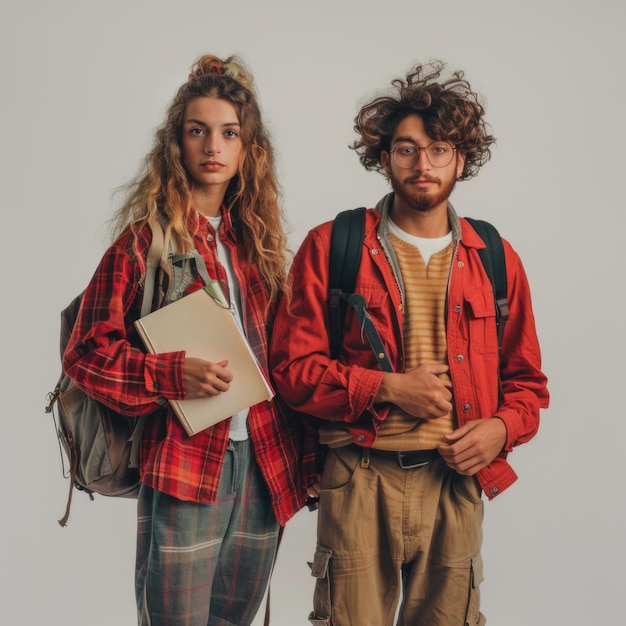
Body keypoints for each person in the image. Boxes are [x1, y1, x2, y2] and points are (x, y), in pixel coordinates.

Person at [270, 60, 550, 626]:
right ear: (384, 157)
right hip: (357, 478)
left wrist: (500, 428)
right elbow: (291, 370)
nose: (423, 164)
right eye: (406, 149)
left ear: (461, 158)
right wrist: (390, 388)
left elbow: (528, 387)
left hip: (455, 485)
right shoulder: (334, 245)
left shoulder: (495, 258)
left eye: (439, 149)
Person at [63, 54, 317, 626]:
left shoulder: (263, 253)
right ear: (175, 143)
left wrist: (309, 459)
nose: (212, 146)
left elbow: (287, 367)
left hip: (264, 468)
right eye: (197, 130)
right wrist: (169, 375)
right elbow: (84, 353)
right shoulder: (142, 243)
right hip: (184, 464)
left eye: (229, 133)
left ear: (248, 150)